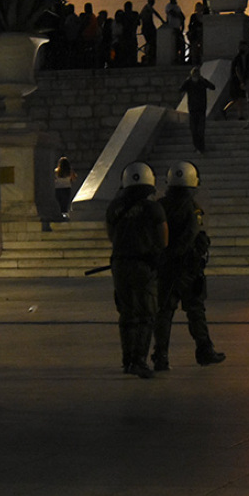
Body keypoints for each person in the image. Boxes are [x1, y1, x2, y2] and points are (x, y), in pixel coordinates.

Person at [152, 161, 225, 371]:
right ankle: (204, 350)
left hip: (166, 269)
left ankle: (160, 355)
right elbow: (192, 234)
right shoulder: (192, 208)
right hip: (186, 269)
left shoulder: (161, 205)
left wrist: (163, 257)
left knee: (164, 312)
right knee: (194, 310)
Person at [106, 162, 168, 379]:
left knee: (127, 313)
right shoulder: (154, 208)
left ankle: (127, 359)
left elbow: (111, 235)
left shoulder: (114, 207)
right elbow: (164, 239)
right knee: (146, 314)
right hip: (144, 265)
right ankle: (139, 361)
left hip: (120, 264)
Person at [180, 66, 216, 154]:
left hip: (200, 108)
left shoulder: (202, 82)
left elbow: (212, 87)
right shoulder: (188, 83)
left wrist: (204, 80)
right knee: (194, 129)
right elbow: (180, 89)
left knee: (200, 129)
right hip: (193, 108)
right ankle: (197, 146)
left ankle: (201, 147)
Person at [222, 41, 249, 120]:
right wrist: (241, 80)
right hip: (236, 81)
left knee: (237, 99)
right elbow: (237, 70)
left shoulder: (244, 58)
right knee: (238, 99)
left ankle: (226, 110)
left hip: (239, 80)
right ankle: (240, 115)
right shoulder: (238, 58)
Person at [139, 0, 164, 65]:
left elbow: (140, 17)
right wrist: (162, 20)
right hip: (148, 28)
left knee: (151, 43)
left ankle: (150, 56)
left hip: (147, 28)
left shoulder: (145, 8)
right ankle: (149, 56)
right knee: (151, 43)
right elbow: (155, 13)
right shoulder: (147, 7)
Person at [165, 0, 186, 64]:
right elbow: (172, 13)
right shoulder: (168, 6)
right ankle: (175, 59)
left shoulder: (177, 7)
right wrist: (179, 16)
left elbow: (182, 17)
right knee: (174, 44)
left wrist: (182, 27)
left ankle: (181, 59)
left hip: (178, 28)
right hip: (172, 27)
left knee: (180, 44)